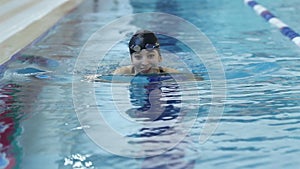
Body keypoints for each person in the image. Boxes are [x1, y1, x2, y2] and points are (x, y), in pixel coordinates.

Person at [113, 30, 179, 75]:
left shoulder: (172, 74)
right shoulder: (121, 73)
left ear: (159, 58)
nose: (145, 63)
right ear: (131, 60)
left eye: (151, 56)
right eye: (138, 57)